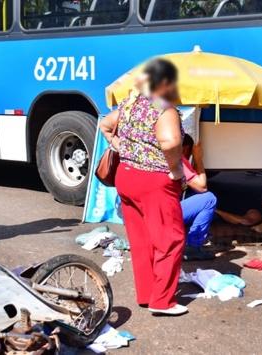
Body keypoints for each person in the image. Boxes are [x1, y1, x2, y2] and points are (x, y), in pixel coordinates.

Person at [99, 58, 187, 316]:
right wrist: (175, 168)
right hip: (154, 181)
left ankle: (147, 294)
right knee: (170, 240)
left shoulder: (130, 103)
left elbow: (104, 125)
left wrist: (119, 146)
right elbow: (170, 142)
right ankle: (162, 301)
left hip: (126, 177)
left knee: (142, 240)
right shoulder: (164, 108)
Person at [180, 135, 217, 261]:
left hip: (148, 212)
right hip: (165, 212)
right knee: (209, 199)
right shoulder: (178, 158)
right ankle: (193, 247)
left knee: (192, 195)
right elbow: (202, 187)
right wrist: (198, 158)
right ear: (185, 149)